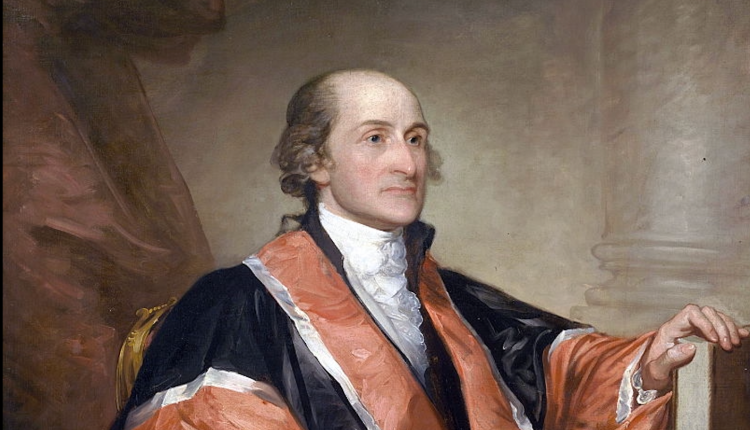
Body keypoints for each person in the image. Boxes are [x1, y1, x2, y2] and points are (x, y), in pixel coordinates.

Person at [110, 69, 748, 430]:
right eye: (376, 138)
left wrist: (650, 363)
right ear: (315, 161)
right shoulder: (232, 304)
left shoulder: (449, 297)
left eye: (415, 139)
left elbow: (560, 370)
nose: (406, 162)